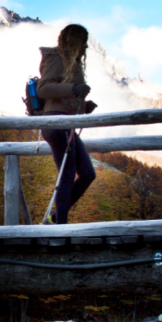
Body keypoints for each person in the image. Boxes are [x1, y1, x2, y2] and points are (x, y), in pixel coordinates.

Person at [37, 24, 98, 224]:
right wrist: (74, 89)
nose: (85, 47)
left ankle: (57, 218)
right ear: (74, 41)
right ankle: (59, 225)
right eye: (83, 42)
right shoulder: (55, 58)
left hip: (65, 123)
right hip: (56, 122)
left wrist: (84, 105)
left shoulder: (70, 62)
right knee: (68, 174)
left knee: (87, 174)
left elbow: (63, 93)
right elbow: (44, 88)